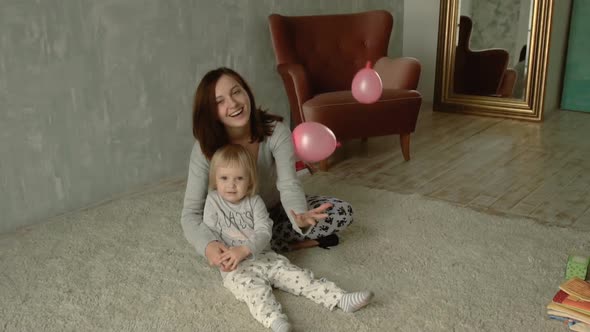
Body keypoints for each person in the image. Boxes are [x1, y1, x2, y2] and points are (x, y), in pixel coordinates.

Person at [180, 67, 354, 269]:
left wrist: (300, 217)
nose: (233, 103)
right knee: (212, 234)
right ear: (211, 112)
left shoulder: (276, 132)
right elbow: (191, 213)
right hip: (230, 225)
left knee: (341, 212)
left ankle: (263, 245)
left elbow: (289, 185)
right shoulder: (204, 147)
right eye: (220, 101)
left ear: (247, 92)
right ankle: (269, 245)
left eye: (236, 92)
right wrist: (208, 245)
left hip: (274, 212)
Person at [203, 144, 373, 332]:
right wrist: (218, 255)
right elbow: (208, 234)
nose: (231, 184)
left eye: (239, 178)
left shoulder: (254, 201)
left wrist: (245, 249)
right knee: (256, 293)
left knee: (299, 276)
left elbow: (264, 230)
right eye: (224, 178)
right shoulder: (212, 201)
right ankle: (276, 322)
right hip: (236, 267)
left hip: (265, 256)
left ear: (250, 181)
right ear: (215, 179)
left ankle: (340, 298)